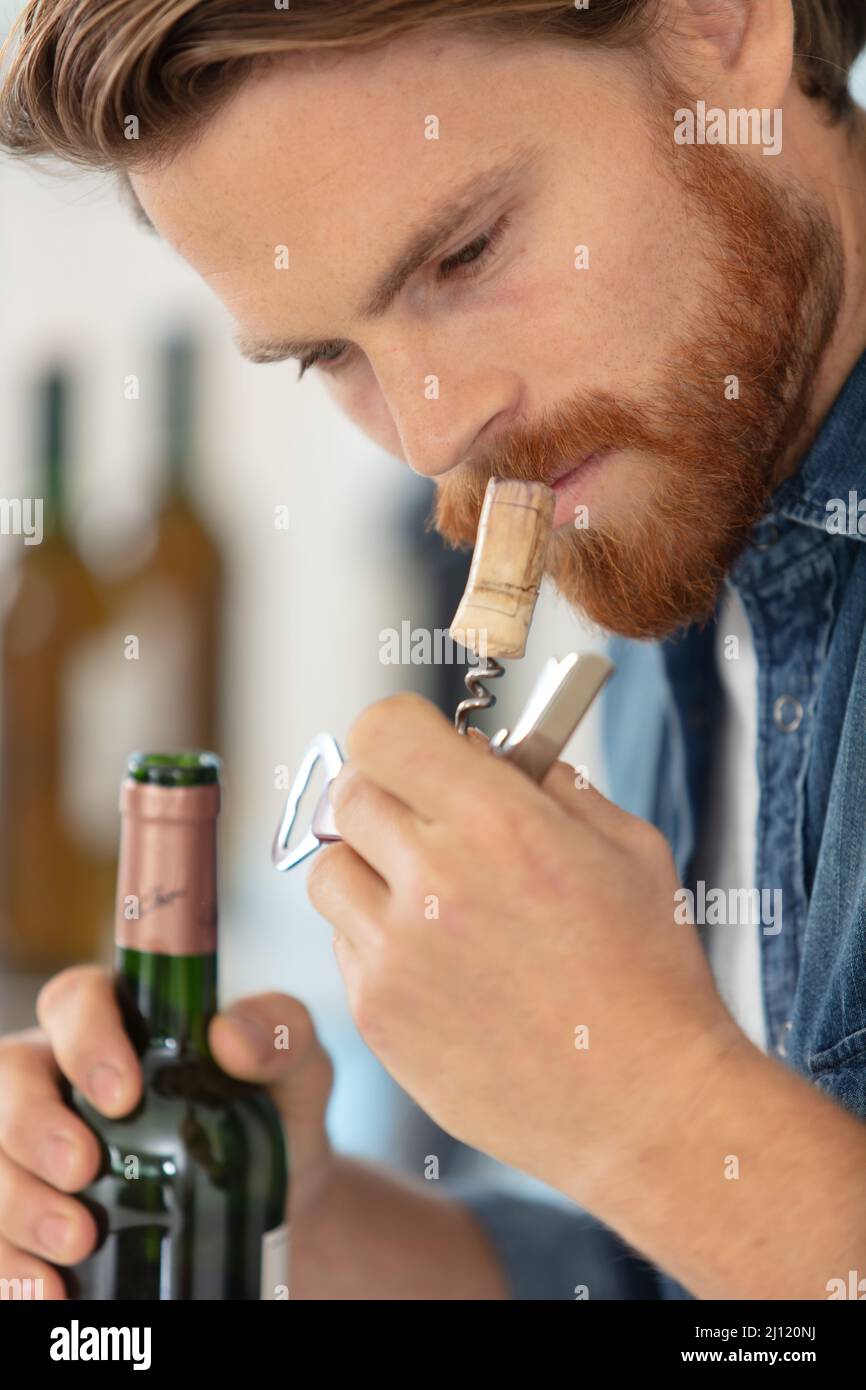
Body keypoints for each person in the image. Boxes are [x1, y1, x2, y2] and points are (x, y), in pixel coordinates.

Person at [1, 0, 866, 1301]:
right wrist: (306, 1221)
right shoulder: (679, 521)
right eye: (331, 354)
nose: (432, 433)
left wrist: (653, 1107)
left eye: (461, 254)